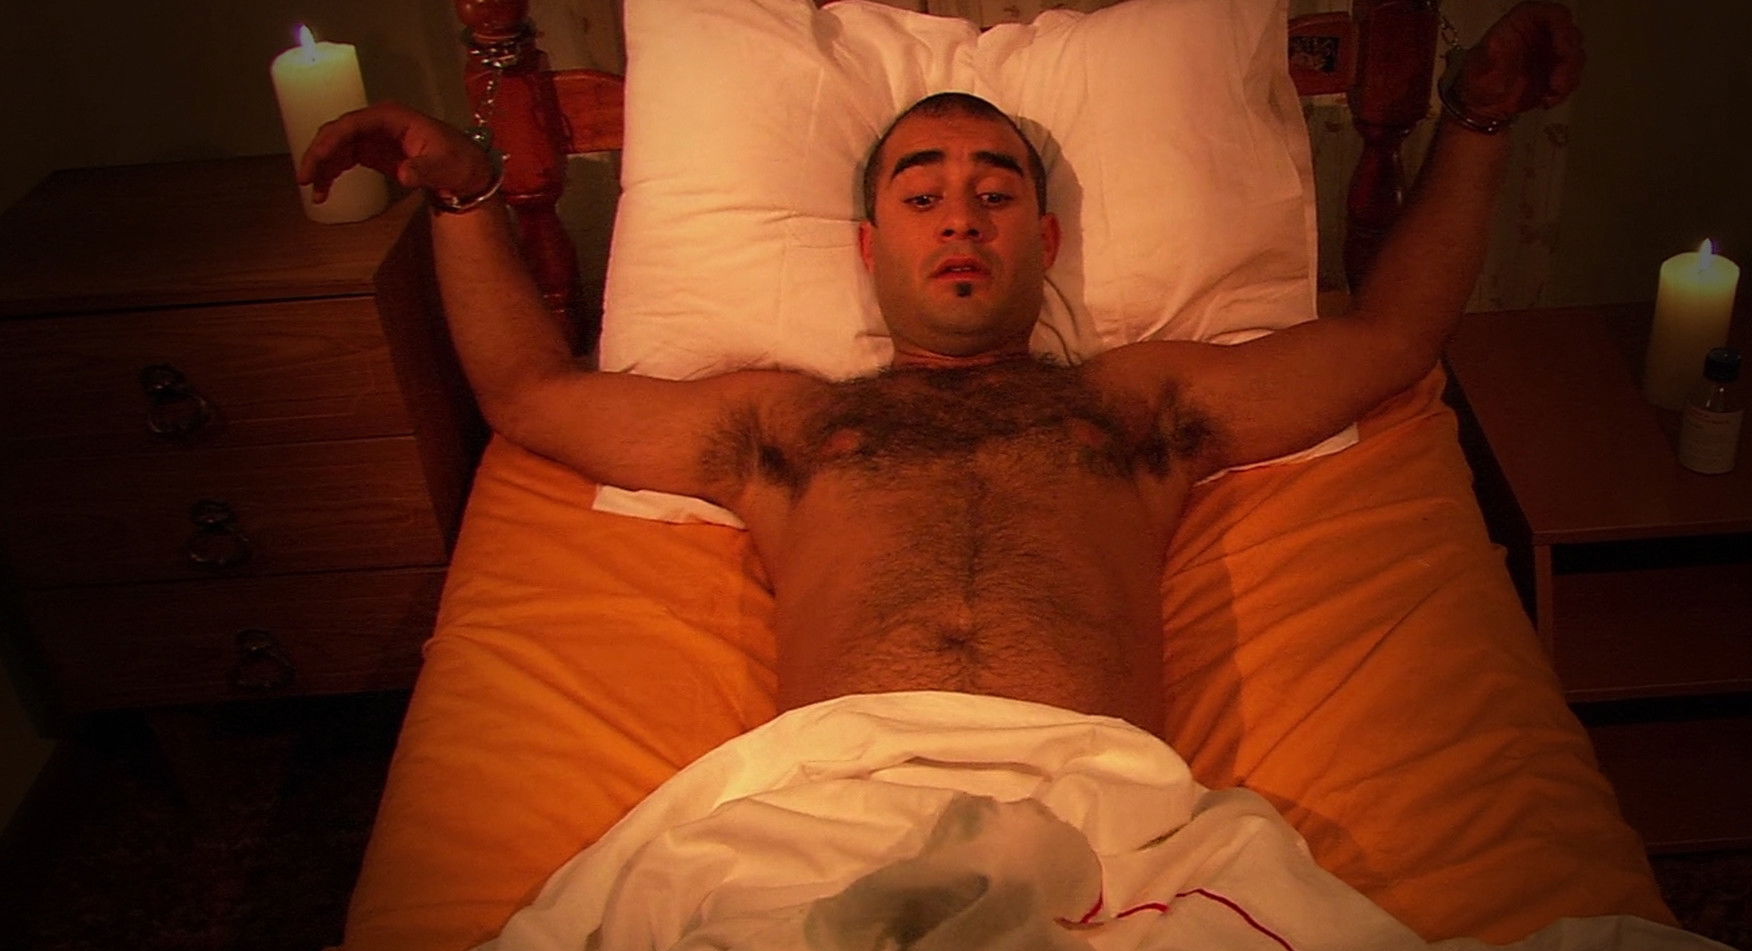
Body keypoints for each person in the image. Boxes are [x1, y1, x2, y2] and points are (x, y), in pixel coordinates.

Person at [301, 3, 1584, 735]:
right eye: (923, 195)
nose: (961, 217)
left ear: (1048, 242)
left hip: (1101, 831)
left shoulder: (1141, 405)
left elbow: (1387, 341)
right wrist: (463, 196)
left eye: (997, 192)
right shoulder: (784, 424)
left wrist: (1477, 119)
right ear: (869, 249)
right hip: (824, 826)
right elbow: (531, 396)